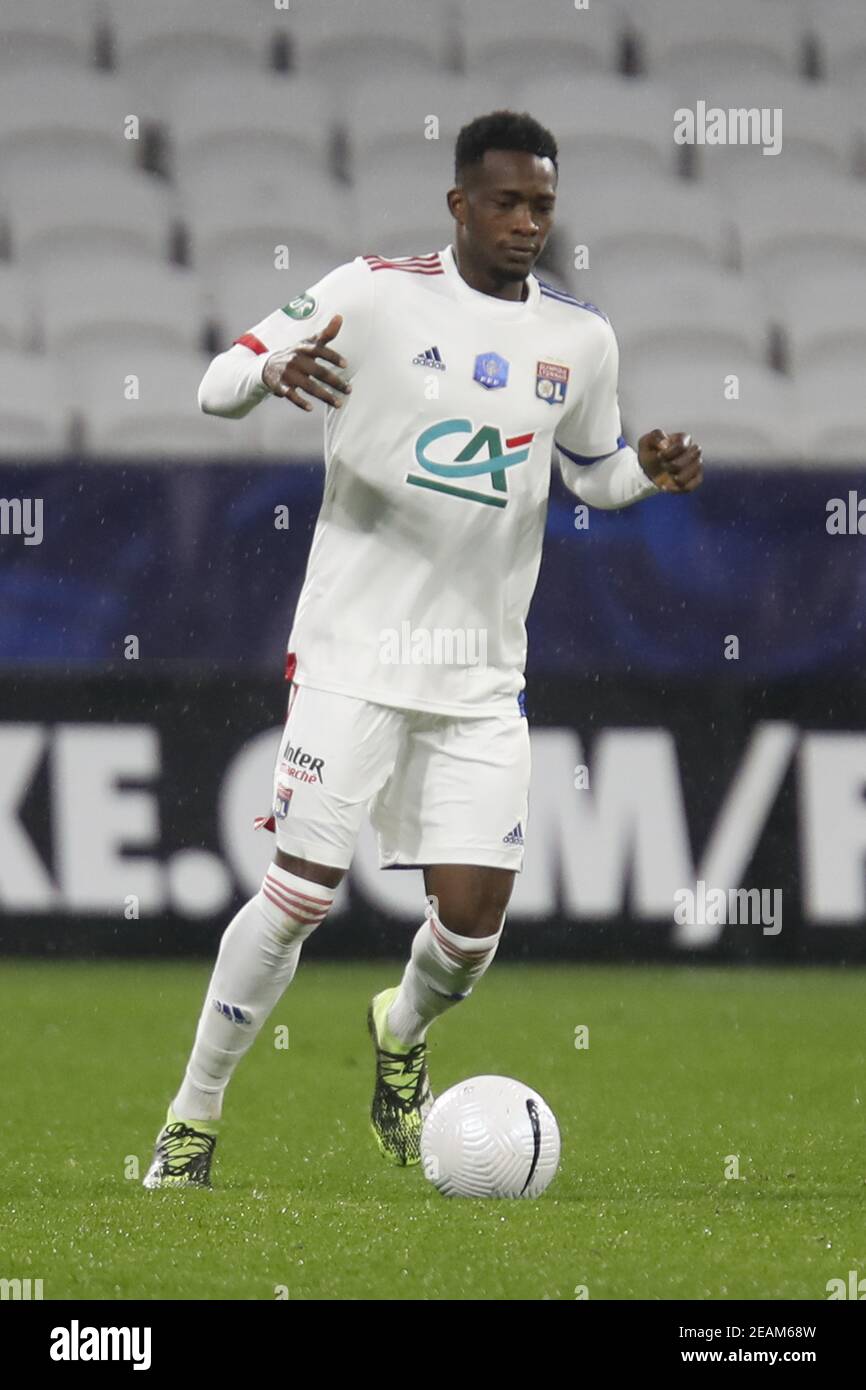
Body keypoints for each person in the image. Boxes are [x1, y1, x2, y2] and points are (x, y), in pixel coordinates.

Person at [143, 109, 703, 1188]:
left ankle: (398, 1033)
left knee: (472, 920)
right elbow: (217, 382)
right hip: (352, 653)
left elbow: (589, 474)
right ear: (458, 204)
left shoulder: (577, 340)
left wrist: (647, 468)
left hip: (481, 675)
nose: (525, 221)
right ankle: (190, 1121)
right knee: (300, 892)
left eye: (540, 203)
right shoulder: (373, 291)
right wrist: (267, 373)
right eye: (504, 201)